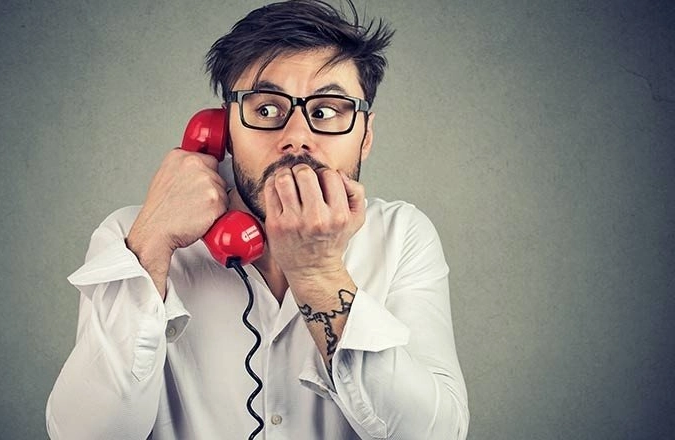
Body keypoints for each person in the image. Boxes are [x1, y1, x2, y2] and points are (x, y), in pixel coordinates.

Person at [46, 0, 469, 438]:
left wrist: (318, 274)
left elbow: (437, 434)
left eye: (326, 111)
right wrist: (151, 245)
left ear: (366, 136)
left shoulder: (402, 236)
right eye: (266, 109)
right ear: (225, 128)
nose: (297, 138)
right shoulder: (132, 237)